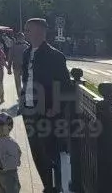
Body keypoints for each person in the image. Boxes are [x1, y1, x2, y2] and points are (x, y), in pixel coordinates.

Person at [21, 18, 74, 193]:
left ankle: (55, 187)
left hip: (47, 113)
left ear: (39, 32)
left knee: (49, 153)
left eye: (28, 30)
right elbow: (26, 80)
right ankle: (47, 186)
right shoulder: (26, 53)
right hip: (29, 110)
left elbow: (65, 86)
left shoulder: (55, 56)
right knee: (36, 151)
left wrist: (56, 107)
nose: (25, 33)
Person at [0, 112, 23, 193]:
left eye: (0, 124)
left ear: (9, 127)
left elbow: (15, 161)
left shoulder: (12, 144)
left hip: (9, 175)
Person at [7, 33, 29, 99]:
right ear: (23, 37)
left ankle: (20, 96)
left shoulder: (13, 46)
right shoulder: (27, 46)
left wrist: (9, 68)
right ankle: (24, 95)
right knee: (25, 81)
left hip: (16, 66)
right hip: (25, 67)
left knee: (17, 82)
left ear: (17, 38)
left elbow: (10, 58)